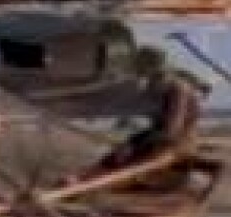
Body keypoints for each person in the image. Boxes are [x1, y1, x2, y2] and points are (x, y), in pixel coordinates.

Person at [82, 46, 202, 181]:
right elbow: (154, 125)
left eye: (150, 75)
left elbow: (171, 131)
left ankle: (89, 180)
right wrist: (131, 142)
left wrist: (135, 146)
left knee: (130, 162)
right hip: (158, 140)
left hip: (177, 146)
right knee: (116, 156)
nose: (148, 80)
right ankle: (84, 177)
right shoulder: (156, 87)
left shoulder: (179, 90)